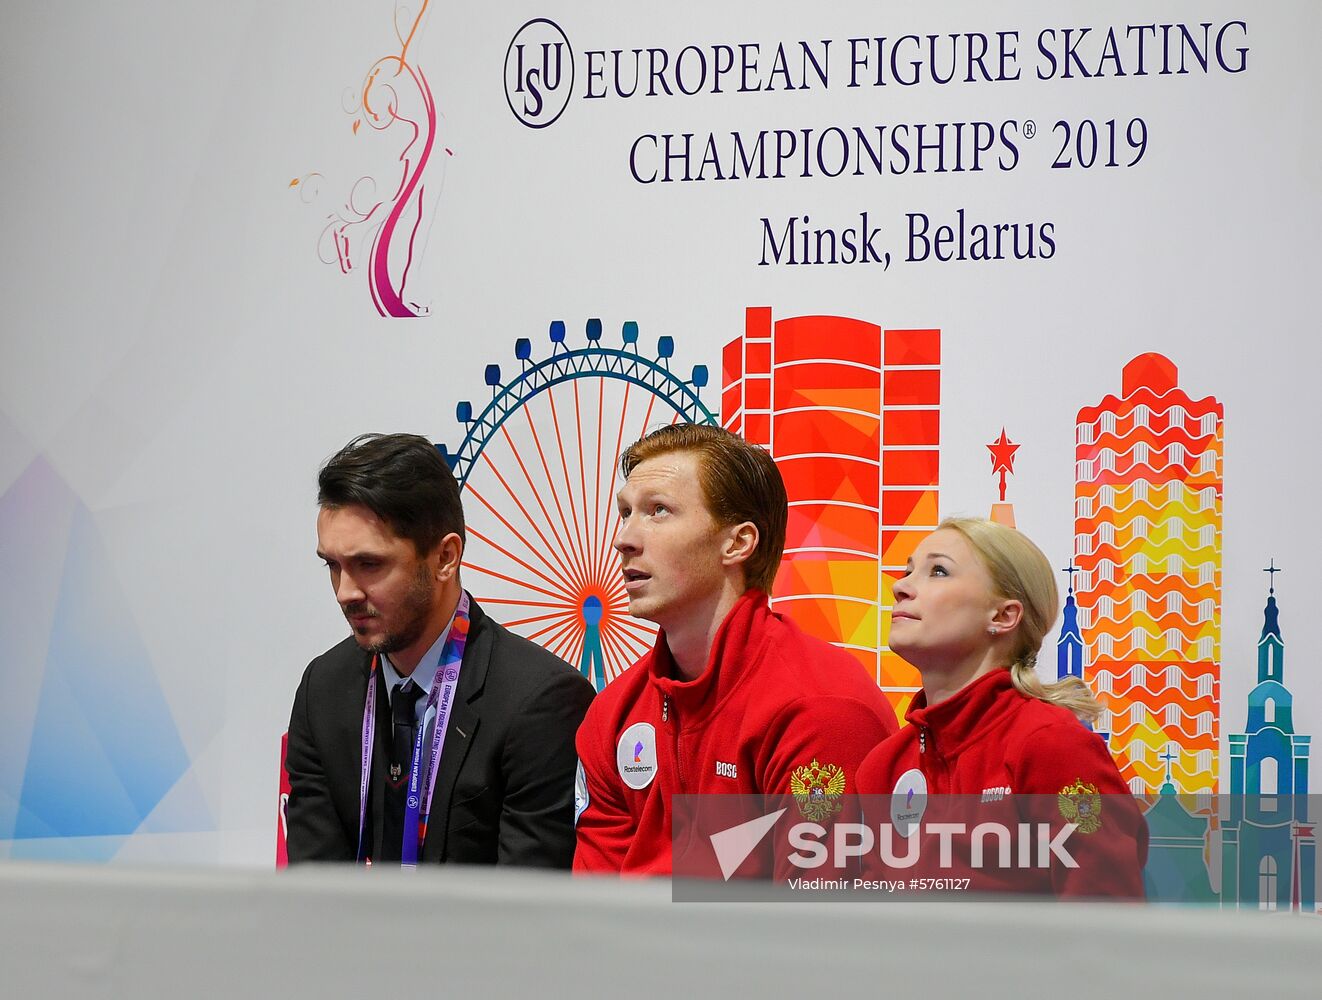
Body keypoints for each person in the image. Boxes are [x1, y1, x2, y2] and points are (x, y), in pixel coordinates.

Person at [573, 424, 899, 876]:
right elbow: (593, 905)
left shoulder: (819, 709)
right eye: (625, 512)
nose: (624, 538)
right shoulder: (613, 713)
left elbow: (818, 914)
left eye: (658, 511)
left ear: (738, 543)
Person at [285, 433, 594, 867]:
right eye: (333, 565)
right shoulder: (323, 688)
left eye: (369, 564)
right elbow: (312, 884)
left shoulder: (540, 701)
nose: (345, 592)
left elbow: (529, 900)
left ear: (446, 557)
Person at [855, 517, 1147, 897]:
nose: (900, 586)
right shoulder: (883, 766)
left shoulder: (1051, 745)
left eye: (938, 571)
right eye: (907, 571)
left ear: (1003, 616)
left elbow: (1105, 917)